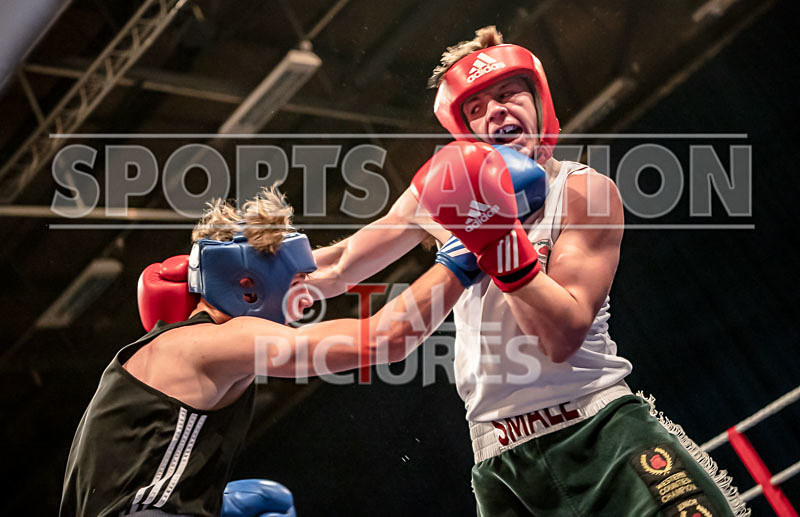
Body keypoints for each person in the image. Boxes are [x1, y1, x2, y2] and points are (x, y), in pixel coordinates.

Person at [308, 27, 749, 516]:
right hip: (499, 466)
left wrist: (493, 239)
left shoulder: (584, 191)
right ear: (463, 132)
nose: (495, 110)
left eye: (506, 94)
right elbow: (339, 266)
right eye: (475, 108)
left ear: (540, 102)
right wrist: (249, 272)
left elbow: (562, 336)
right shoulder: (437, 194)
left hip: (597, 433)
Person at [59, 187, 467, 517]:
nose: (308, 300)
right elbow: (383, 340)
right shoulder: (224, 339)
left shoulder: (183, 344)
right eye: (296, 285)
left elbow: (340, 266)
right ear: (250, 288)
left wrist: (420, 202)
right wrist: (465, 254)